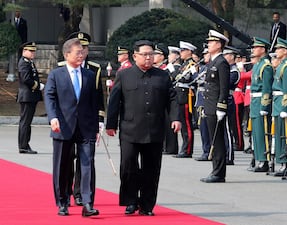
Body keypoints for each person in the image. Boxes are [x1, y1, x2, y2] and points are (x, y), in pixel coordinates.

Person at [106, 40, 181, 214]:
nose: (148, 58)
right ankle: (131, 201)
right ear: (135, 56)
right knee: (128, 166)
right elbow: (114, 101)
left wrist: (175, 118)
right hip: (130, 128)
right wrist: (111, 124)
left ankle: (147, 205)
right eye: (144, 54)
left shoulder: (162, 76)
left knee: (152, 169)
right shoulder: (124, 75)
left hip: (154, 129)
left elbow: (172, 98)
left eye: (151, 54)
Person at [45, 38, 100, 217]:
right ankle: (62, 201)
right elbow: (50, 97)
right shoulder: (56, 74)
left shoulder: (89, 75)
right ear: (67, 54)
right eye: (78, 52)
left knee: (87, 164)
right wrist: (53, 118)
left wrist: (97, 126)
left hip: (86, 127)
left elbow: (95, 102)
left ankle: (87, 203)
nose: (82, 55)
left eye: (83, 52)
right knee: (62, 165)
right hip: (63, 126)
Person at [200, 29, 230, 183]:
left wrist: (221, 107)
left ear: (219, 45)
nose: (209, 44)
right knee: (213, 139)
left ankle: (219, 173)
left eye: (211, 42)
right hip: (209, 105)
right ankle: (215, 170)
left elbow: (224, 87)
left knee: (217, 141)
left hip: (216, 107)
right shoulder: (213, 62)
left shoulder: (222, 63)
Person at [271, 38, 287, 178]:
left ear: (285, 51)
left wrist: (285, 108)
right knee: (278, 134)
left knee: (283, 135)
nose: (276, 51)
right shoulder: (281, 66)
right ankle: (281, 161)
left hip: (282, 104)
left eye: (279, 49)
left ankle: (285, 163)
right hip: (276, 102)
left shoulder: (286, 67)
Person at [250, 37, 273, 172]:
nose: (253, 50)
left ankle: (264, 160)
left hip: (260, 102)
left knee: (262, 132)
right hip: (254, 101)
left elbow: (266, 88)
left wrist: (265, 106)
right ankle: (259, 159)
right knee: (256, 133)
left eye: (256, 47)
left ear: (263, 49)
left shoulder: (266, 66)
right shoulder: (258, 64)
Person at [17, 42, 43, 154]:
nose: (33, 53)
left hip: (30, 96)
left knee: (27, 122)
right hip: (27, 96)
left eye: (34, 51)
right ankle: (23, 145)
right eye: (31, 51)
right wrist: (38, 86)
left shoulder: (29, 62)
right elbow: (26, 79)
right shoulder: (24, 63)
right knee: (25, 122)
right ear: (24, 51)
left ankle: (25, 144)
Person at [173, 41, 197, 158]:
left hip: (186, 96)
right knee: (183, 124)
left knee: (187, 124)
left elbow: (193, 79)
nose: (181, 53)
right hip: (180, 96)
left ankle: (187, 149)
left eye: (183, 50)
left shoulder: (192, 64)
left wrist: (192, 72)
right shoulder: (184, 65)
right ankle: (184, 147)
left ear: (189, 52)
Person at [223, 46, 241, 165]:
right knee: (222, 129)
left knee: (228, 129)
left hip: (229, 99)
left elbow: (227, 83)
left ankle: (229, 156)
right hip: (223, 99)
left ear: (231, 56)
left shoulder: (234, 71)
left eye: (226, 55)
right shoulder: (227, 69)